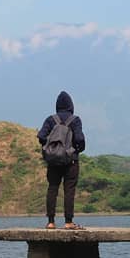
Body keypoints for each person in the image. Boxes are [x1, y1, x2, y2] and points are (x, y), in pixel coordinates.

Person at [37, 90, 85, 229]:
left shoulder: (51, 120)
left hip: (53, 161)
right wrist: (77, 150)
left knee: (52, 188)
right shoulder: (75, 120)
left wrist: (51, 148)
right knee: (69, 190)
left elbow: (41, 136)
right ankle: (68, 222)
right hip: (71, 161)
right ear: (71, 106)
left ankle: (51, 222)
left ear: (57, 106)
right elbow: (80, 139)